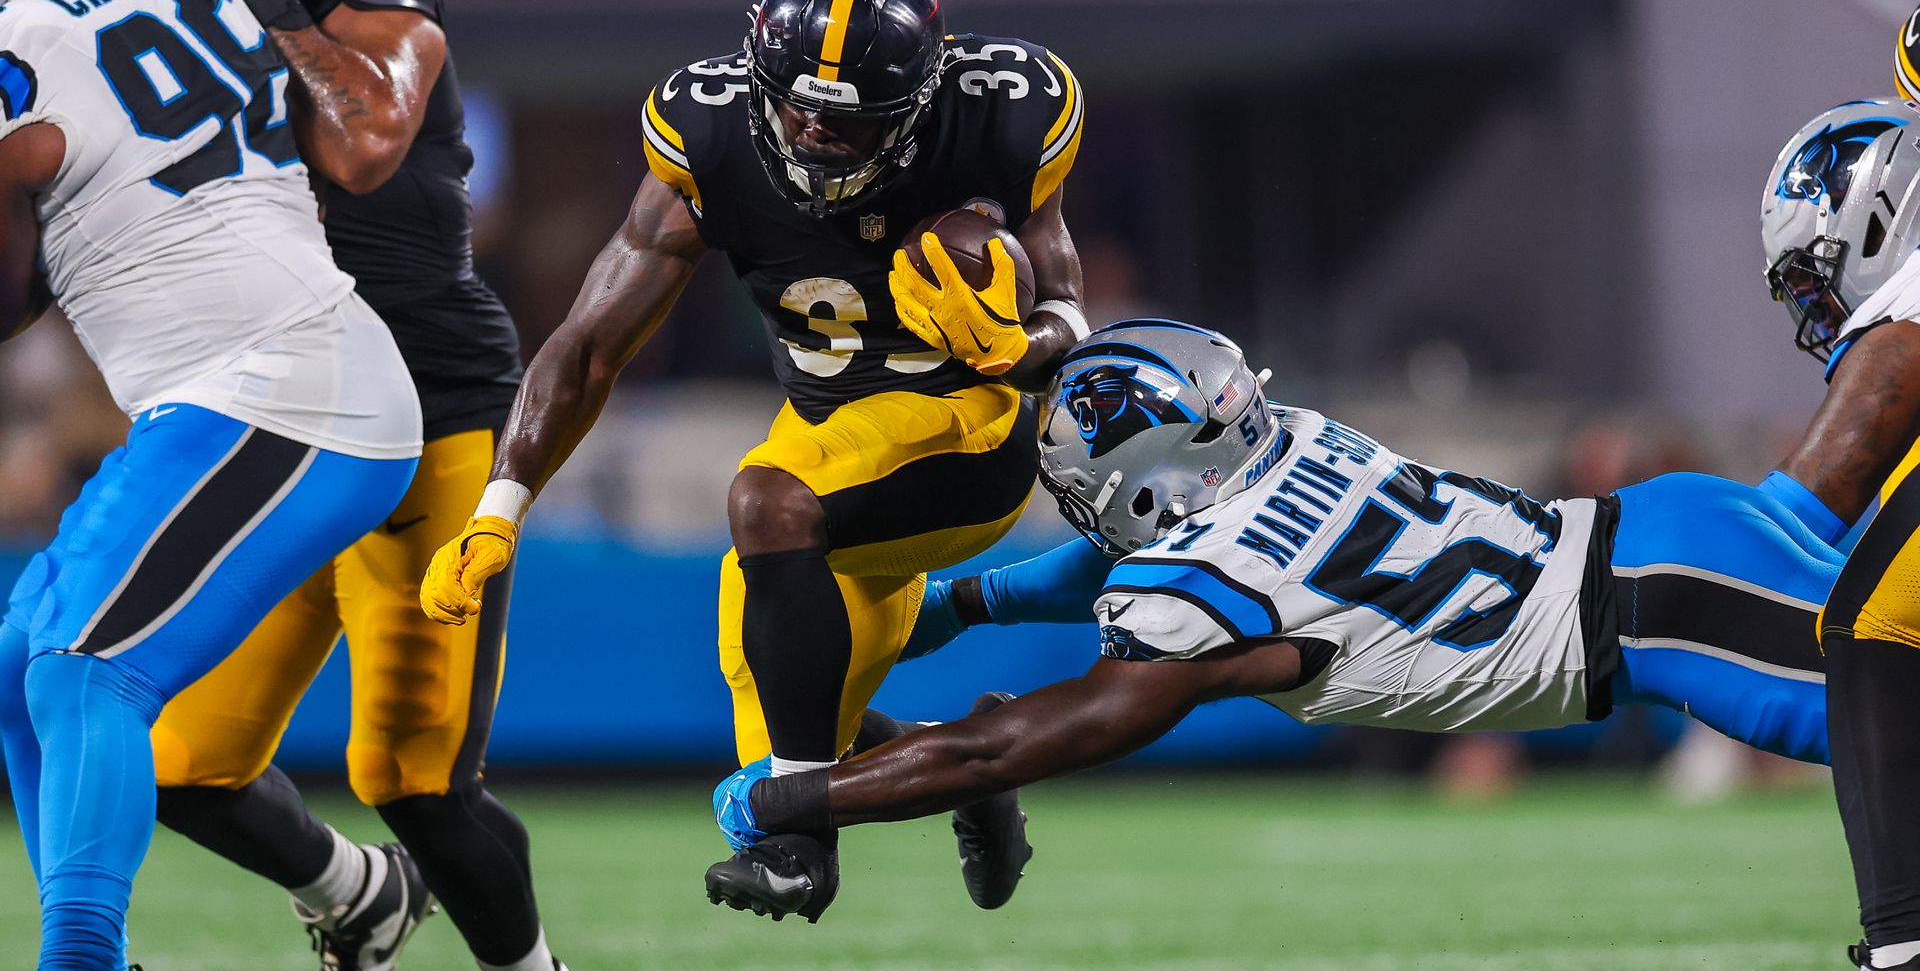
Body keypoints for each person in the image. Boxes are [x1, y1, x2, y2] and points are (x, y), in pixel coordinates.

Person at [704, 318, 1842, 921]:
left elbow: (1022, 738)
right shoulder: (1279, 435)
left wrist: (791, 793)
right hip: (1669, 530)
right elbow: (1138, 557)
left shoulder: (1204, 581)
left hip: (1659, 612)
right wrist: (964, 605)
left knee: (1896, 739)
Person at [418, 0, 1091, 920]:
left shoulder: (999, 109)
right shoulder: (711, 131)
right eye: (794, 108)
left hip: (968, 428)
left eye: (847, 124)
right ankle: (965, 771)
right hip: (825, 436)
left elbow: (1071, 315)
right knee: (793, 704)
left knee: (766, 510)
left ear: (918, 102)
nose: (813, 136)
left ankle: (798, 849)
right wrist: (500, 506)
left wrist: (1016, 347)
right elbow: (590, 345)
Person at [112, 0, 564, 967]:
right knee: (181, 764)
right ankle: (358, 895)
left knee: (415, 776)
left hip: (423, 406)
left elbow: (362, 146)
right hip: (276, 417)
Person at [0, 0, 422, 965]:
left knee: (86, 670)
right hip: (257, 383)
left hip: (278, 390)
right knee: (20, 656)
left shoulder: (30, 44)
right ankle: (354, 892)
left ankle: (81, 955)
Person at [1757, 92, 1920, 971]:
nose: (1818, 315)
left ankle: (1908, 944)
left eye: (1814, 281)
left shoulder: (1902, 324)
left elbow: (1828, 481)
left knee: (1873, 625)